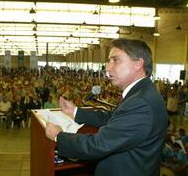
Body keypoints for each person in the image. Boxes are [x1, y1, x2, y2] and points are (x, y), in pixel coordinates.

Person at [45, 38, 168, 176]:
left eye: (115, 60)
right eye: (109, 61)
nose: (108, 67)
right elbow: (113, 118)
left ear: (138, 64)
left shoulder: (140, 102)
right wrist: (74, 111)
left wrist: (58, 136)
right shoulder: (142, 93)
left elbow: (99, 144)